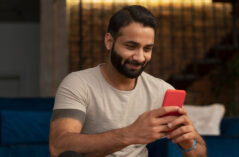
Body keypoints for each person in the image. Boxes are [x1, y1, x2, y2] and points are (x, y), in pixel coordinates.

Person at [49, 5, 207, 157]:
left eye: (147, 49)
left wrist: (189, 144)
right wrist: (130, 133)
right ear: (109, 41)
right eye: (131, 46)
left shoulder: (162, 91)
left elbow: (200, 152)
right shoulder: (78, 84)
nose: (140, 57)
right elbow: (59, 147)